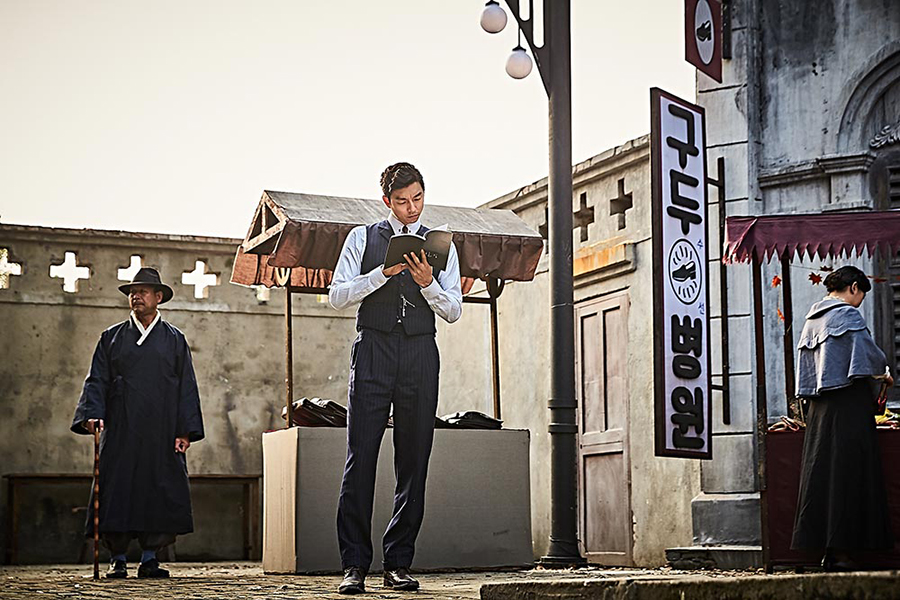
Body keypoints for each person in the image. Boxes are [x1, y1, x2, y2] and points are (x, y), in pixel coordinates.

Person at [329, 162, 462, 594]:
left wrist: (427, 284)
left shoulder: (441, 246)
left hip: (420, 353)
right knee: (360, 457)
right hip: (373, 349)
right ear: (387, 200)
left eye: (417, 199)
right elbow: (336, 296)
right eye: (402, 201)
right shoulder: (361, 238)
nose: (411, 208)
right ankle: (354, 565)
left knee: (414, 460)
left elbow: (454, 310)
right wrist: (380, 275)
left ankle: (398, 564)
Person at [71, 267, 204, 579]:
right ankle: (117, 558)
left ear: (158, 297)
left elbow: (187, 386)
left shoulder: (174, 340)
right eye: (132, 292)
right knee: (116, 487)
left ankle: (149, 558)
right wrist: (92, 413)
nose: (136, 297)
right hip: (121, 426)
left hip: (161, 428)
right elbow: (97, 379)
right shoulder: (111, 337)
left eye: (143, 291)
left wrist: (184, 431)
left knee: (159, 487)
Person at [791, 265, 894, 570]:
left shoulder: (811, 320)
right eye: (861, 294)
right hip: (849, 405)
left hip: (820, 411)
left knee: (823, 475)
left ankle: (826, 550)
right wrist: (884, 375)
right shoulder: (848, 315)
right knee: (849, 475)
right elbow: (870, 358)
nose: (860, 301)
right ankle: (842, 552)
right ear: (853, 287)